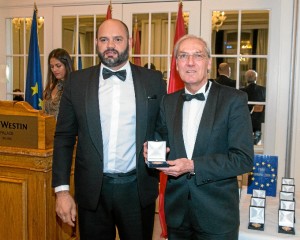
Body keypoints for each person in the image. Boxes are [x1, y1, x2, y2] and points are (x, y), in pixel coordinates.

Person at [52, 19, 166, 240]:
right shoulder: (77, 81)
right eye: (104, 39)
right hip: (92, 191)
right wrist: (62, 191)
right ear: (96, 42)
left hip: (137, 190)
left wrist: (159, 159)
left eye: (117, 39)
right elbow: (64, 138)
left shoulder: (152, 80)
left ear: (129, 42)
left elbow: (161, 128)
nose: (110, 45)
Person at [145, 35, 254, 239]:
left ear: (209, 62)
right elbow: (161, 141)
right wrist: (151, 151)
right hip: (177, 214)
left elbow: (243, 159)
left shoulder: (234, 100)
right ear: (176, 63)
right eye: (183, 56)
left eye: (198, 55)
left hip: (217, 216)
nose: (190, 62)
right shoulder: (167, 102)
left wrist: (193, 165)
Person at [43, 48, 74, 119]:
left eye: (58, 66)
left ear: (66, 65)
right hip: (48, 128)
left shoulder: (74, 86)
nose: (54, 70)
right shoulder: (51, 86)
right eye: (52, 66)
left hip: (65, 129)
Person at [241, 69, 266, 144]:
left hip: (245, 123)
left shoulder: (241, 91)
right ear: (256, 78)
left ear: (246, 79)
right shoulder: (263, 90)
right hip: (260, 124)